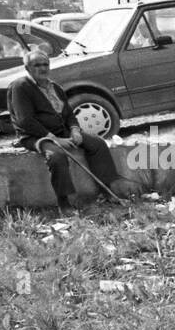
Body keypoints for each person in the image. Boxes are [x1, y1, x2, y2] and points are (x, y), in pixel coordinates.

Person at [8, 50, 123, 210]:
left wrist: (75, 130)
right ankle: (64, 203)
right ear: (27, 68)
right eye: (37, 65)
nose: (42, 68)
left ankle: (106, 191)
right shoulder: (20, 87)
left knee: (98, 144)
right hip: (35, 135)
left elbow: (69, 114)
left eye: (45, 64)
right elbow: (25, 120)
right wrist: (54, 139)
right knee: (56, 156)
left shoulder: (54, 87)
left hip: (62, 131)